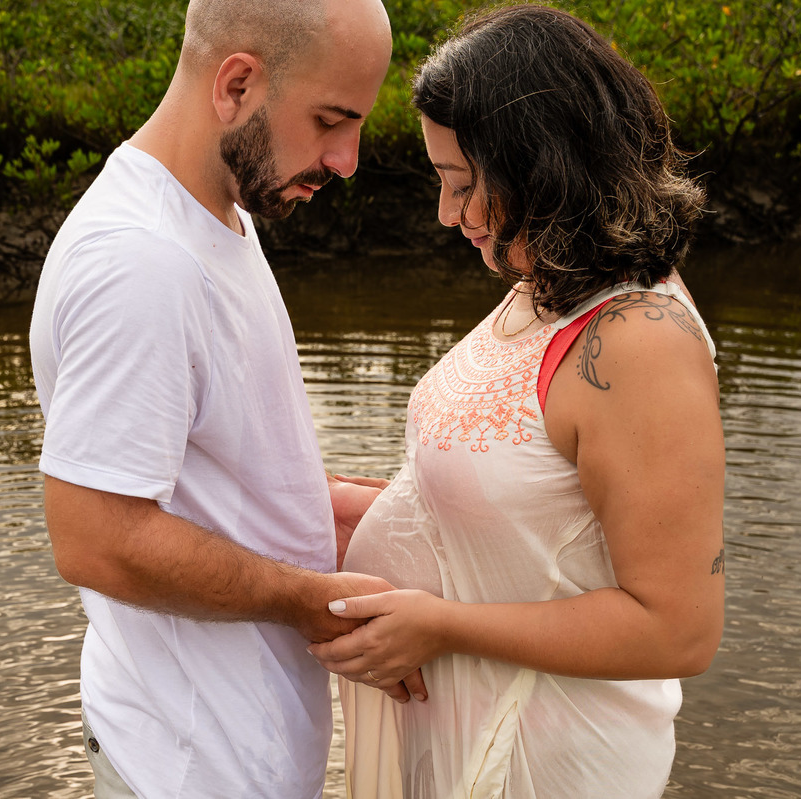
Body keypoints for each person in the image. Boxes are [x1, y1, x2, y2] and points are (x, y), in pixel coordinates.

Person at [307, 5, 726, 797]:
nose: (445, 213)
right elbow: (530, 501)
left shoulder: (640, 341)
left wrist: (438, 625)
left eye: (462, 183)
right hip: (469, 717)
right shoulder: (547, 281)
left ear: (544, 168)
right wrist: (358, 508)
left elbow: (678, 627)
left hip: (549, 753)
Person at [27, 1, 395, 796]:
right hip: (188, 768)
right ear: (236, 85)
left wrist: (344, 509)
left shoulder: (219, 210)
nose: (347, 160)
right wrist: (308, 601)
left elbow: (205, 473)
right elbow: (94, 537)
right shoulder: (141, 263)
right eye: (332, 120)